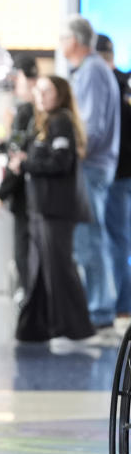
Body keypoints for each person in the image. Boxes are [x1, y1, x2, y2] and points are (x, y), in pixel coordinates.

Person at [8, 75, 95, 349]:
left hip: (56, 210)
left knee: (59, 268)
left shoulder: (61, 121)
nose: (40, 95)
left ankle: (77, 328)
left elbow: (61, 162)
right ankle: (37, 327)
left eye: (47, 90)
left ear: (60, 94)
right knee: (42, 270)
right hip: (41, 209)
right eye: (39, 90)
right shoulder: (43, 123)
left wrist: (26, 164)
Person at [62, 16, 120, 330]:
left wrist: (72, 152)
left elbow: (92, 127)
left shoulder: (92, 72)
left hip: (92, 166)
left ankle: (99, 309)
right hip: (96, 166)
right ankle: (98, 305)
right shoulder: (91, 70)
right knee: (90, 238)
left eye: (63, 36)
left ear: (77, 40)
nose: (60, 43)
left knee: (90, 239)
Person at [0, 54, 38, 303]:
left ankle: (29, 294)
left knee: (25, 245)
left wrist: (1, 194)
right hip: (38, 191)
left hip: (28, 194)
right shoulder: (31, 111)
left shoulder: (27, 111)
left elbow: (17, 157)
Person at [97, 34, 131, 333]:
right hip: (122, 174)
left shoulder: (108, 84)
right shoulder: (124, 81)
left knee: (116, 241)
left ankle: (121, 307)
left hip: (116, 174)